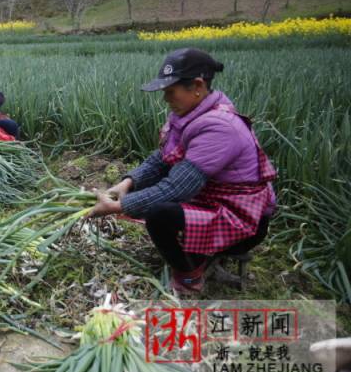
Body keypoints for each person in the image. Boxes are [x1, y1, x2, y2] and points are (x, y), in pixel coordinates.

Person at [89, 48, 276, 293]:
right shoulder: (190, 115)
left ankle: (189, 276)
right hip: (213, 198)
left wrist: (118, 207)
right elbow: (163, 159)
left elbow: (178, 186)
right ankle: (195, 248)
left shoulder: (219, 128)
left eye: (170, 91)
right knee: (149, 190)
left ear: (197, 86)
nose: (166, 98)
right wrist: (129, 183)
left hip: (240, 219)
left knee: (158, 214)